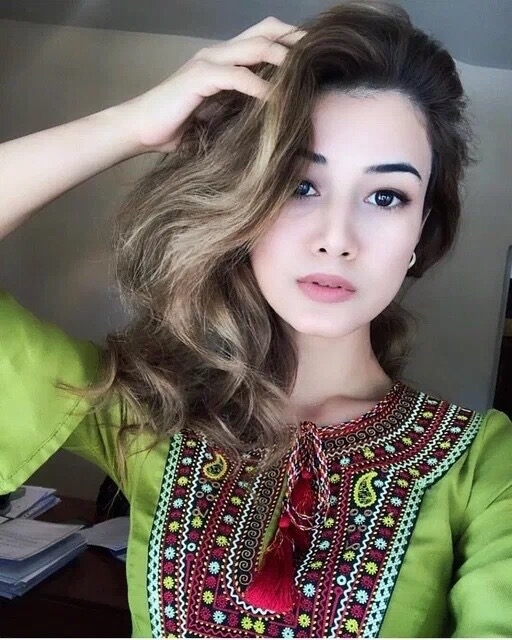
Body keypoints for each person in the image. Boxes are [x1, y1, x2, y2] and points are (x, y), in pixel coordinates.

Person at [1, 1, 511, 637]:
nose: (336, 239)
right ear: (247, 206)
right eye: (300, 185)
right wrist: (130, 126)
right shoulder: (148, 411)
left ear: (420, 232)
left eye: (386, 196)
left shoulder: (482, 464)